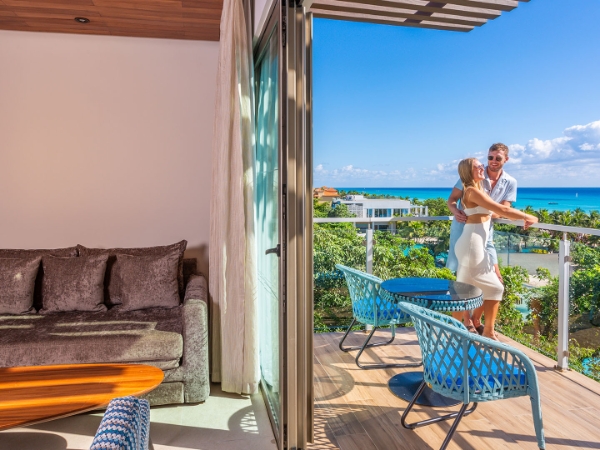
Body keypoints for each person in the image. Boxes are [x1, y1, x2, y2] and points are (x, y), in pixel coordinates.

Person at [454, 158, 537, 340]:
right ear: (469, 171)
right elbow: (502, 210)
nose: (482, 167)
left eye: (480, 165)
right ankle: (489, 333)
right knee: (495, 288)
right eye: (477, 166)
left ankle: (454, 331)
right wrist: (529, 217)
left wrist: (514, 216)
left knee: (462, 290)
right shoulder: (473, 191)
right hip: (472, 246)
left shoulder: (474, 190)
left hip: (471, 244)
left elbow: (498, 211)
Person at [447, 143, 516, 333]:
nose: (492, 161)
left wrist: (488, 212)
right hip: (464, 230)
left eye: (498, 158)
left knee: (495, 279)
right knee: (463, 279)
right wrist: (456, 211)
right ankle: (466, 321)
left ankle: (475, 320)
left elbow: (504, 209)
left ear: (506, 159)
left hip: (486, 234)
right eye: (490, 157)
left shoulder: (510, 182)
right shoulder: (472, 173)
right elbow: (452, 200)